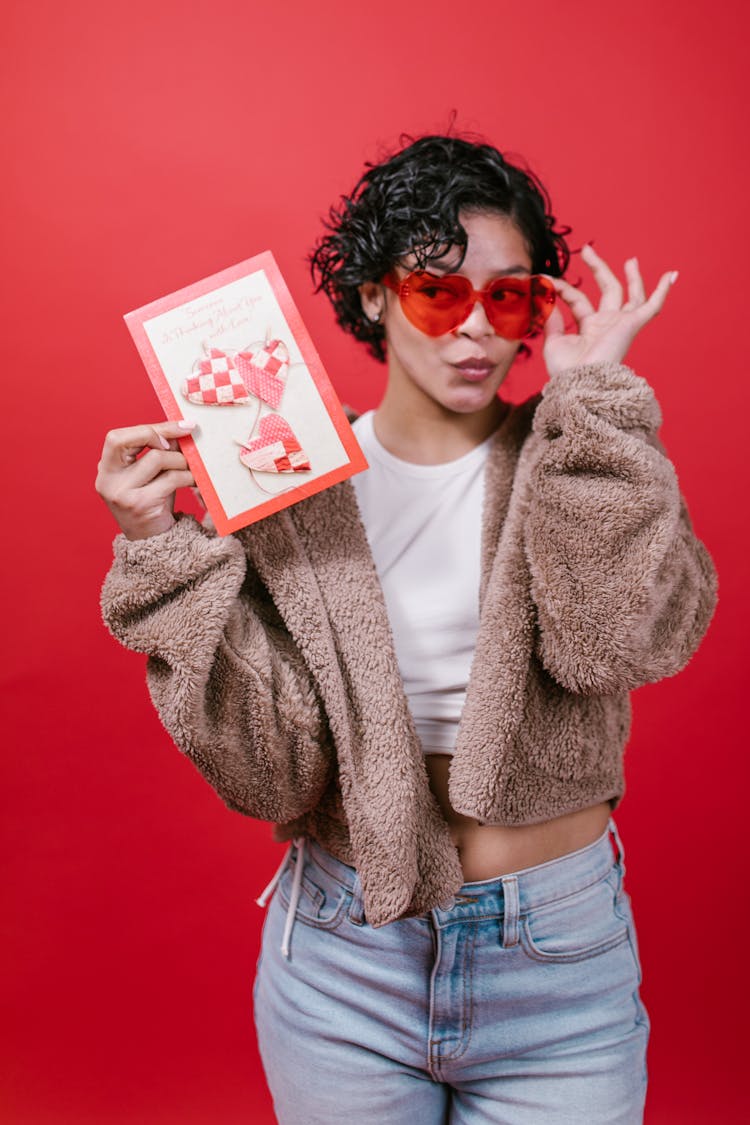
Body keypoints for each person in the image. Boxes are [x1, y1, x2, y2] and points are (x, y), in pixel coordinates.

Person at [96, 134, 718, 1124]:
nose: (476, 329)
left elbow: (621, 644)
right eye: (439, 292)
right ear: (375, 296)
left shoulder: (575, 453)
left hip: (561, 961)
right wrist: (156, 547)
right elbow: (267, 773)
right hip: (346, 961)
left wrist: (591, 403)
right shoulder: (282, 483)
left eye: (507, 296)